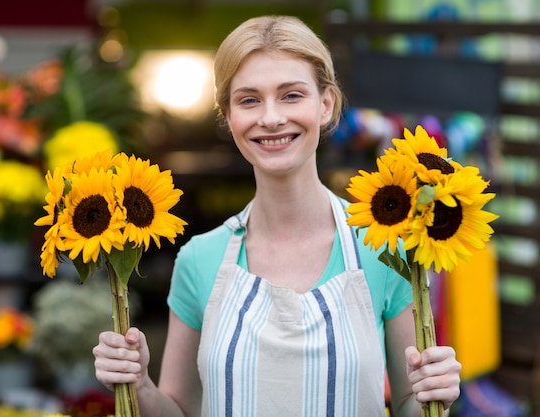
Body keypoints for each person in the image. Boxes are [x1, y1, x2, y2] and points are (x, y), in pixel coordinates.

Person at [93, 15, 461, 417]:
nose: (270, 118)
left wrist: (435, 392)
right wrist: (140, 384)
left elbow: (410, 402)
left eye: (291, 95)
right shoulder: (199, 259)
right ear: (228, 117)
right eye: (249, 99)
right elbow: (180, 411)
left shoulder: (384, 249)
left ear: (326, 104)